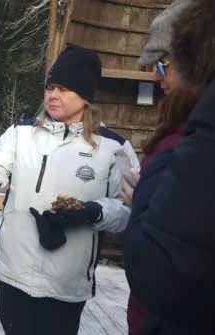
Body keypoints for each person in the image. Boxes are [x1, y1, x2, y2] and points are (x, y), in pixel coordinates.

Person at [0, 44, 139, 335]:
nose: (53, 95)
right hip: (14, 276)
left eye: (64, 89)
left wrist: (90, 212)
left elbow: (129, 208)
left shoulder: (114, 148)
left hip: (65, 285)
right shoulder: (21, 134)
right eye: (50, 87)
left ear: (86, 96)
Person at [121, 0, 215, 333]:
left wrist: (143, 198)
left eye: (162, 65)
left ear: (196, 61)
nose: (155, 77)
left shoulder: (197, 137)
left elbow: (161, 266)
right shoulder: (185, 128)